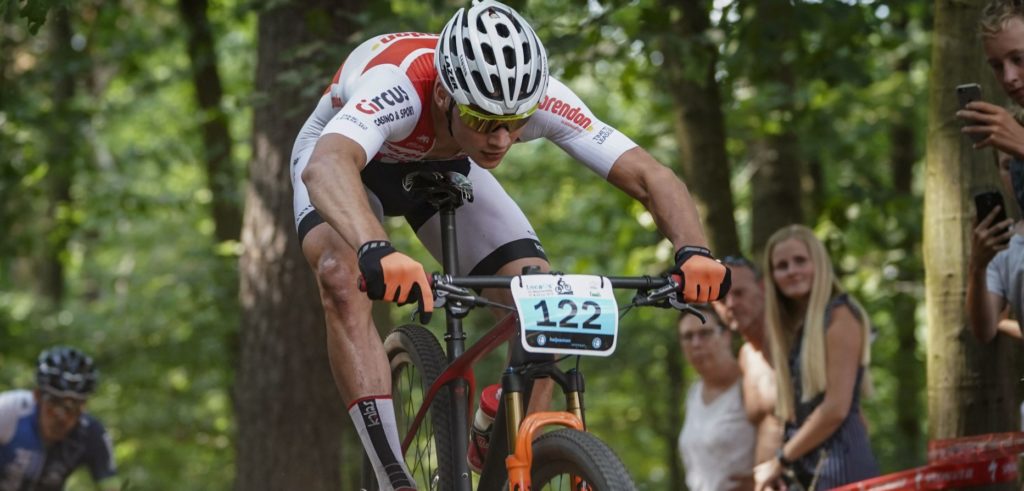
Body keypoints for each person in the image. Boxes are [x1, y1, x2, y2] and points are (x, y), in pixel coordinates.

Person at [289, 1, 731, 489]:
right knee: (339, 274)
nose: (501, 139)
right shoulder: (400, 86)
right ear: (443, 95)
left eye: (515, 124)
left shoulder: (529, 100)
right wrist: (375, 247)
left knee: (541, 297)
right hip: (347, 159)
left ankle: (506, 458)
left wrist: (695, 251)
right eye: (483, 120)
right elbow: (327, 166)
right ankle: (391, 472)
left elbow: (649, 175)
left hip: (450, 160)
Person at [752, 225, 878, 491]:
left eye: (800, 260)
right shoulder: (799, 328)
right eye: (782, 265)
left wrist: (781, 460)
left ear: (818, 263)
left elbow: (836, 408)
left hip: (842, 468)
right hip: (813, 471)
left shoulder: (841, 315)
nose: (792, 271)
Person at [0, 347, 119, 491]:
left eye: (73, 407)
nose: (62, 416)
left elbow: (111, 485)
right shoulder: (8, 410)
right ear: (37, 396)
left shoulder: (92, 433)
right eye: (54, 402)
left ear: (84, 406)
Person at [677, 306, 755, 491]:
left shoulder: (750, 385)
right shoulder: (694, 392)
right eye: (688, 336)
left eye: (705, 333)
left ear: (726, 335)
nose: (696, 344)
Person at [715, 256, 783, 466]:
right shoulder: (745, 356)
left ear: (762, 288)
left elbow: (836, 412)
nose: (731, 304)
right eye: (722, 299)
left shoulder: (791, 343)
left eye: (739, 293)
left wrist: (780, 464)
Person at [967, 150, 1023, 343]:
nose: (1018, 174)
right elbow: (984, 330)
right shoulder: (1003, 243)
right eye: (1007, 167)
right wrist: (977, 266)